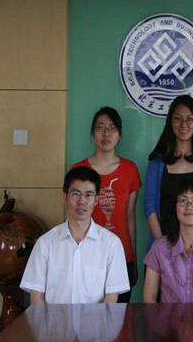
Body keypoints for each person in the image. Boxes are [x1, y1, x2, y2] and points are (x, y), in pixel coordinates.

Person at [20, 166, 130, 304]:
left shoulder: (111, 243)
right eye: (76, 194)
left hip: (95, 318)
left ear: (96, 200)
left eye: (88, 195)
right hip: (54, 318)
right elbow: (36, 298)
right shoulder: (45, 243)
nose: (81, 201)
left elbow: (111, 299)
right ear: (65, 197)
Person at [71, 106, 141, 302]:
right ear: (92, 133)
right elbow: (70, 218)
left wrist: (133, 258)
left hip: (121, 254)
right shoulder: (78, 170)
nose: (106, 134)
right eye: (100, 128)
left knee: (117, 315)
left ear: (120, 135)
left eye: (112, 128)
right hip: (86, 254)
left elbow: (130, 218)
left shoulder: (130, 170)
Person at [144, 95, 193, 250]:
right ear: (170, 122)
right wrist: (161, 246)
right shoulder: (157, 160)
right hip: (162, 243)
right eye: (178, 118)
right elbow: (149, 203)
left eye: (189, 119)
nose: (184, 124)